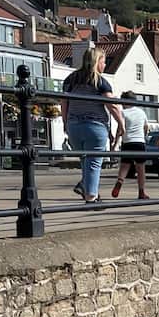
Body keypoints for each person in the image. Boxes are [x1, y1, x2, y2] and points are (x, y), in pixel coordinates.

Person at [61, 47, 124, 203]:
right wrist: (121, 124)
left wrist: (65, 123)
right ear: (97, 62)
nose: (105, 65)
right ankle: (91, 197)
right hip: (94, 126)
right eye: (103, 62)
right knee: (94, 162)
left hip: (74, 125)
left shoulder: (71, 79)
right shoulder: (100, 81)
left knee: (85, 161)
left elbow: (64, 102)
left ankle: (85, 186)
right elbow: (112, 105)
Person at [111, 91, 150, 199]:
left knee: (124, 166)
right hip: (139, 142)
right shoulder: (142, 112)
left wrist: (115, 144)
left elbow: (120, 129)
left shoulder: (123, 113)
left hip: (127, 142)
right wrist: (144, 135)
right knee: (140, 169)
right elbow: (146, 127)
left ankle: (119, 182)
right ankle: (141, 192)